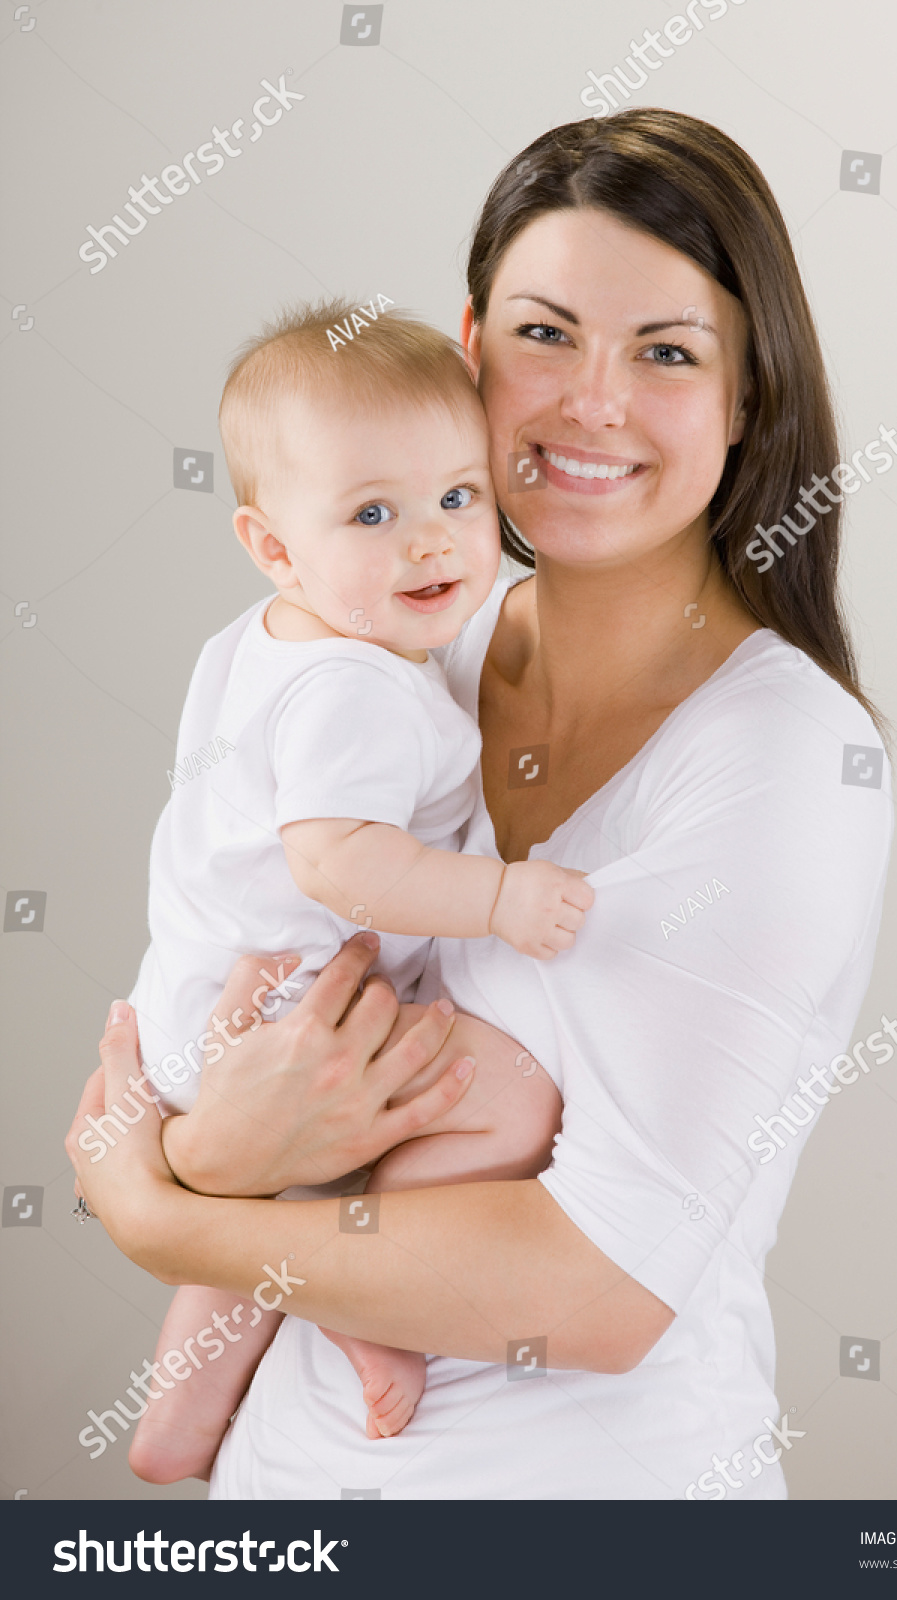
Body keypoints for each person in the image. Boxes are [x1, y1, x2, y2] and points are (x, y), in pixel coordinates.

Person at [68, 108, 893, 1500]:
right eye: (546, 334)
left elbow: (599, 1290)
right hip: (277, 1494)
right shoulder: (389, 638)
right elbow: (127, 1078)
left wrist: (168, 1209)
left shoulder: (784, 760)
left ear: (750, 396)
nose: (593, 402)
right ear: (470, 352)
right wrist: (206, 1151)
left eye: (669, 353)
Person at [122, 305, 590, 1473]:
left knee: (261, 1217)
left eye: (457, 497)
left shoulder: (262, 641)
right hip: (286, 1028)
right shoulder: (359, 691)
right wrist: (497, 899)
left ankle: (175, 1424)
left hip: (202, 1013)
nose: (430, 542)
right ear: (275, 546)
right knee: (505, 1107)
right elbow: (338, 860)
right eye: (373, 514)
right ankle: (370, 1302)